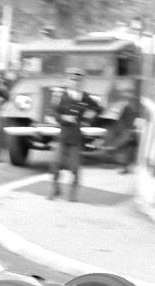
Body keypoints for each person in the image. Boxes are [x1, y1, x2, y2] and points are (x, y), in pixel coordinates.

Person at [48, 67, 102, 202]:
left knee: (75, 167)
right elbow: (52, 113)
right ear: (67, 80)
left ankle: (73, 194)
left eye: (78, 80)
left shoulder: (84, 96)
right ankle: (55, 189)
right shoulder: (60, 95)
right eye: (72, 79)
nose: (75, 83)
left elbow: (98, 108)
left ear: (81, 82)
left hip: (76, 137)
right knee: (55, 164)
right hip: (63, 135)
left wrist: (88, 118)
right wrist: (63, 118)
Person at [103, 86, 139, 174]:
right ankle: (111, 155)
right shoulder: (121, 107)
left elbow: (134, 125)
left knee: (127, 136)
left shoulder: (131, 108)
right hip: (122, 130)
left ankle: (121, 162)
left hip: (129, 131)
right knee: (114, 133)